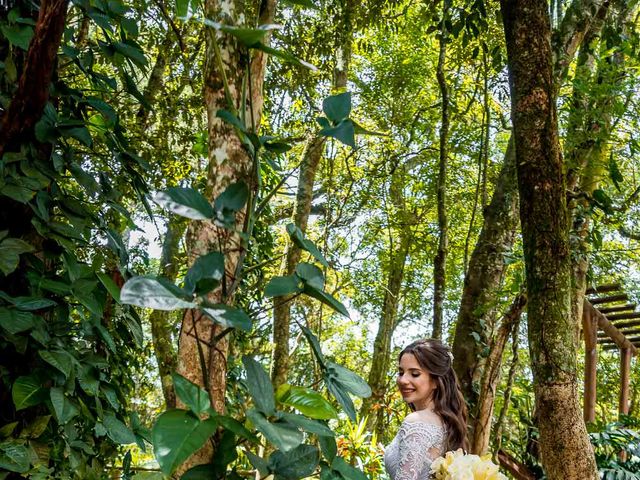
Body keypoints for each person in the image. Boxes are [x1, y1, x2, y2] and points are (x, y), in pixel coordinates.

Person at [383, 339, 468, 480]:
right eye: (401, 372)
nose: (403, 380)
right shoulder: (445, 423)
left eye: (415, 374)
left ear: (436, 381)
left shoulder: (416, 422)